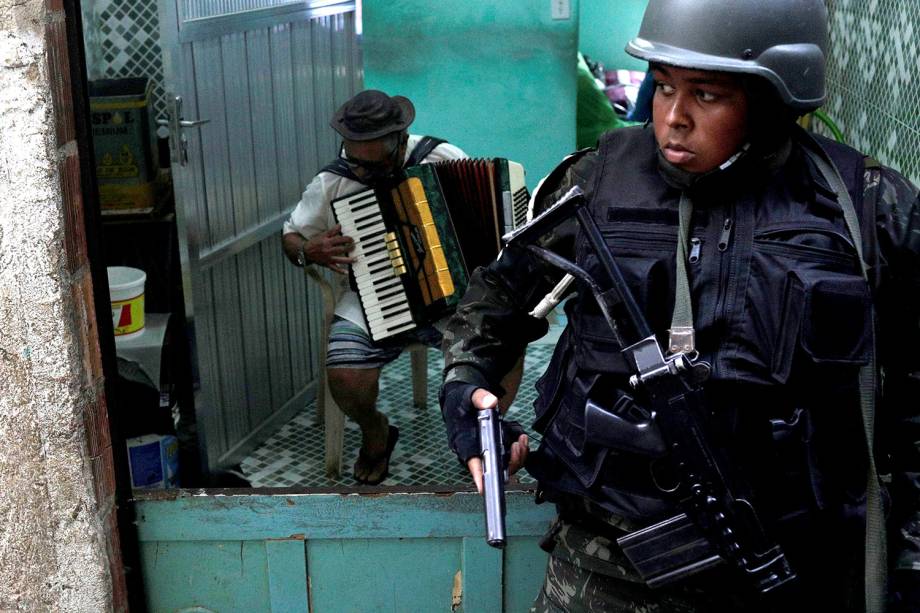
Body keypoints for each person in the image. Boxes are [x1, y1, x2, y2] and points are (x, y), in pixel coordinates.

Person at [438, 1, 920, 611]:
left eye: (708, 95)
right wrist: (466, 387)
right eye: (663, 86)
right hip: (606, 555)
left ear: (773, 100)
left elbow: (911, 400)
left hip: (793, 559)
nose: (672, 118)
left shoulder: (866, 208)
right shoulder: (599, 179)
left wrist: (908, 561)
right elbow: (501, 293)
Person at [283, 89, 522, 485]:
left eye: (377, 167)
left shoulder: (439, 158)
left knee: (509, 345)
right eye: (357, 165)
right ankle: (375, 430)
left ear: (399, 142)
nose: (365, 176)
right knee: (343, 373)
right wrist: (308, 249)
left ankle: (482, 438)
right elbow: (289, 237)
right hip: (369, 296)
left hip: (454, 301)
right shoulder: (332, 182)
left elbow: (496, 220)